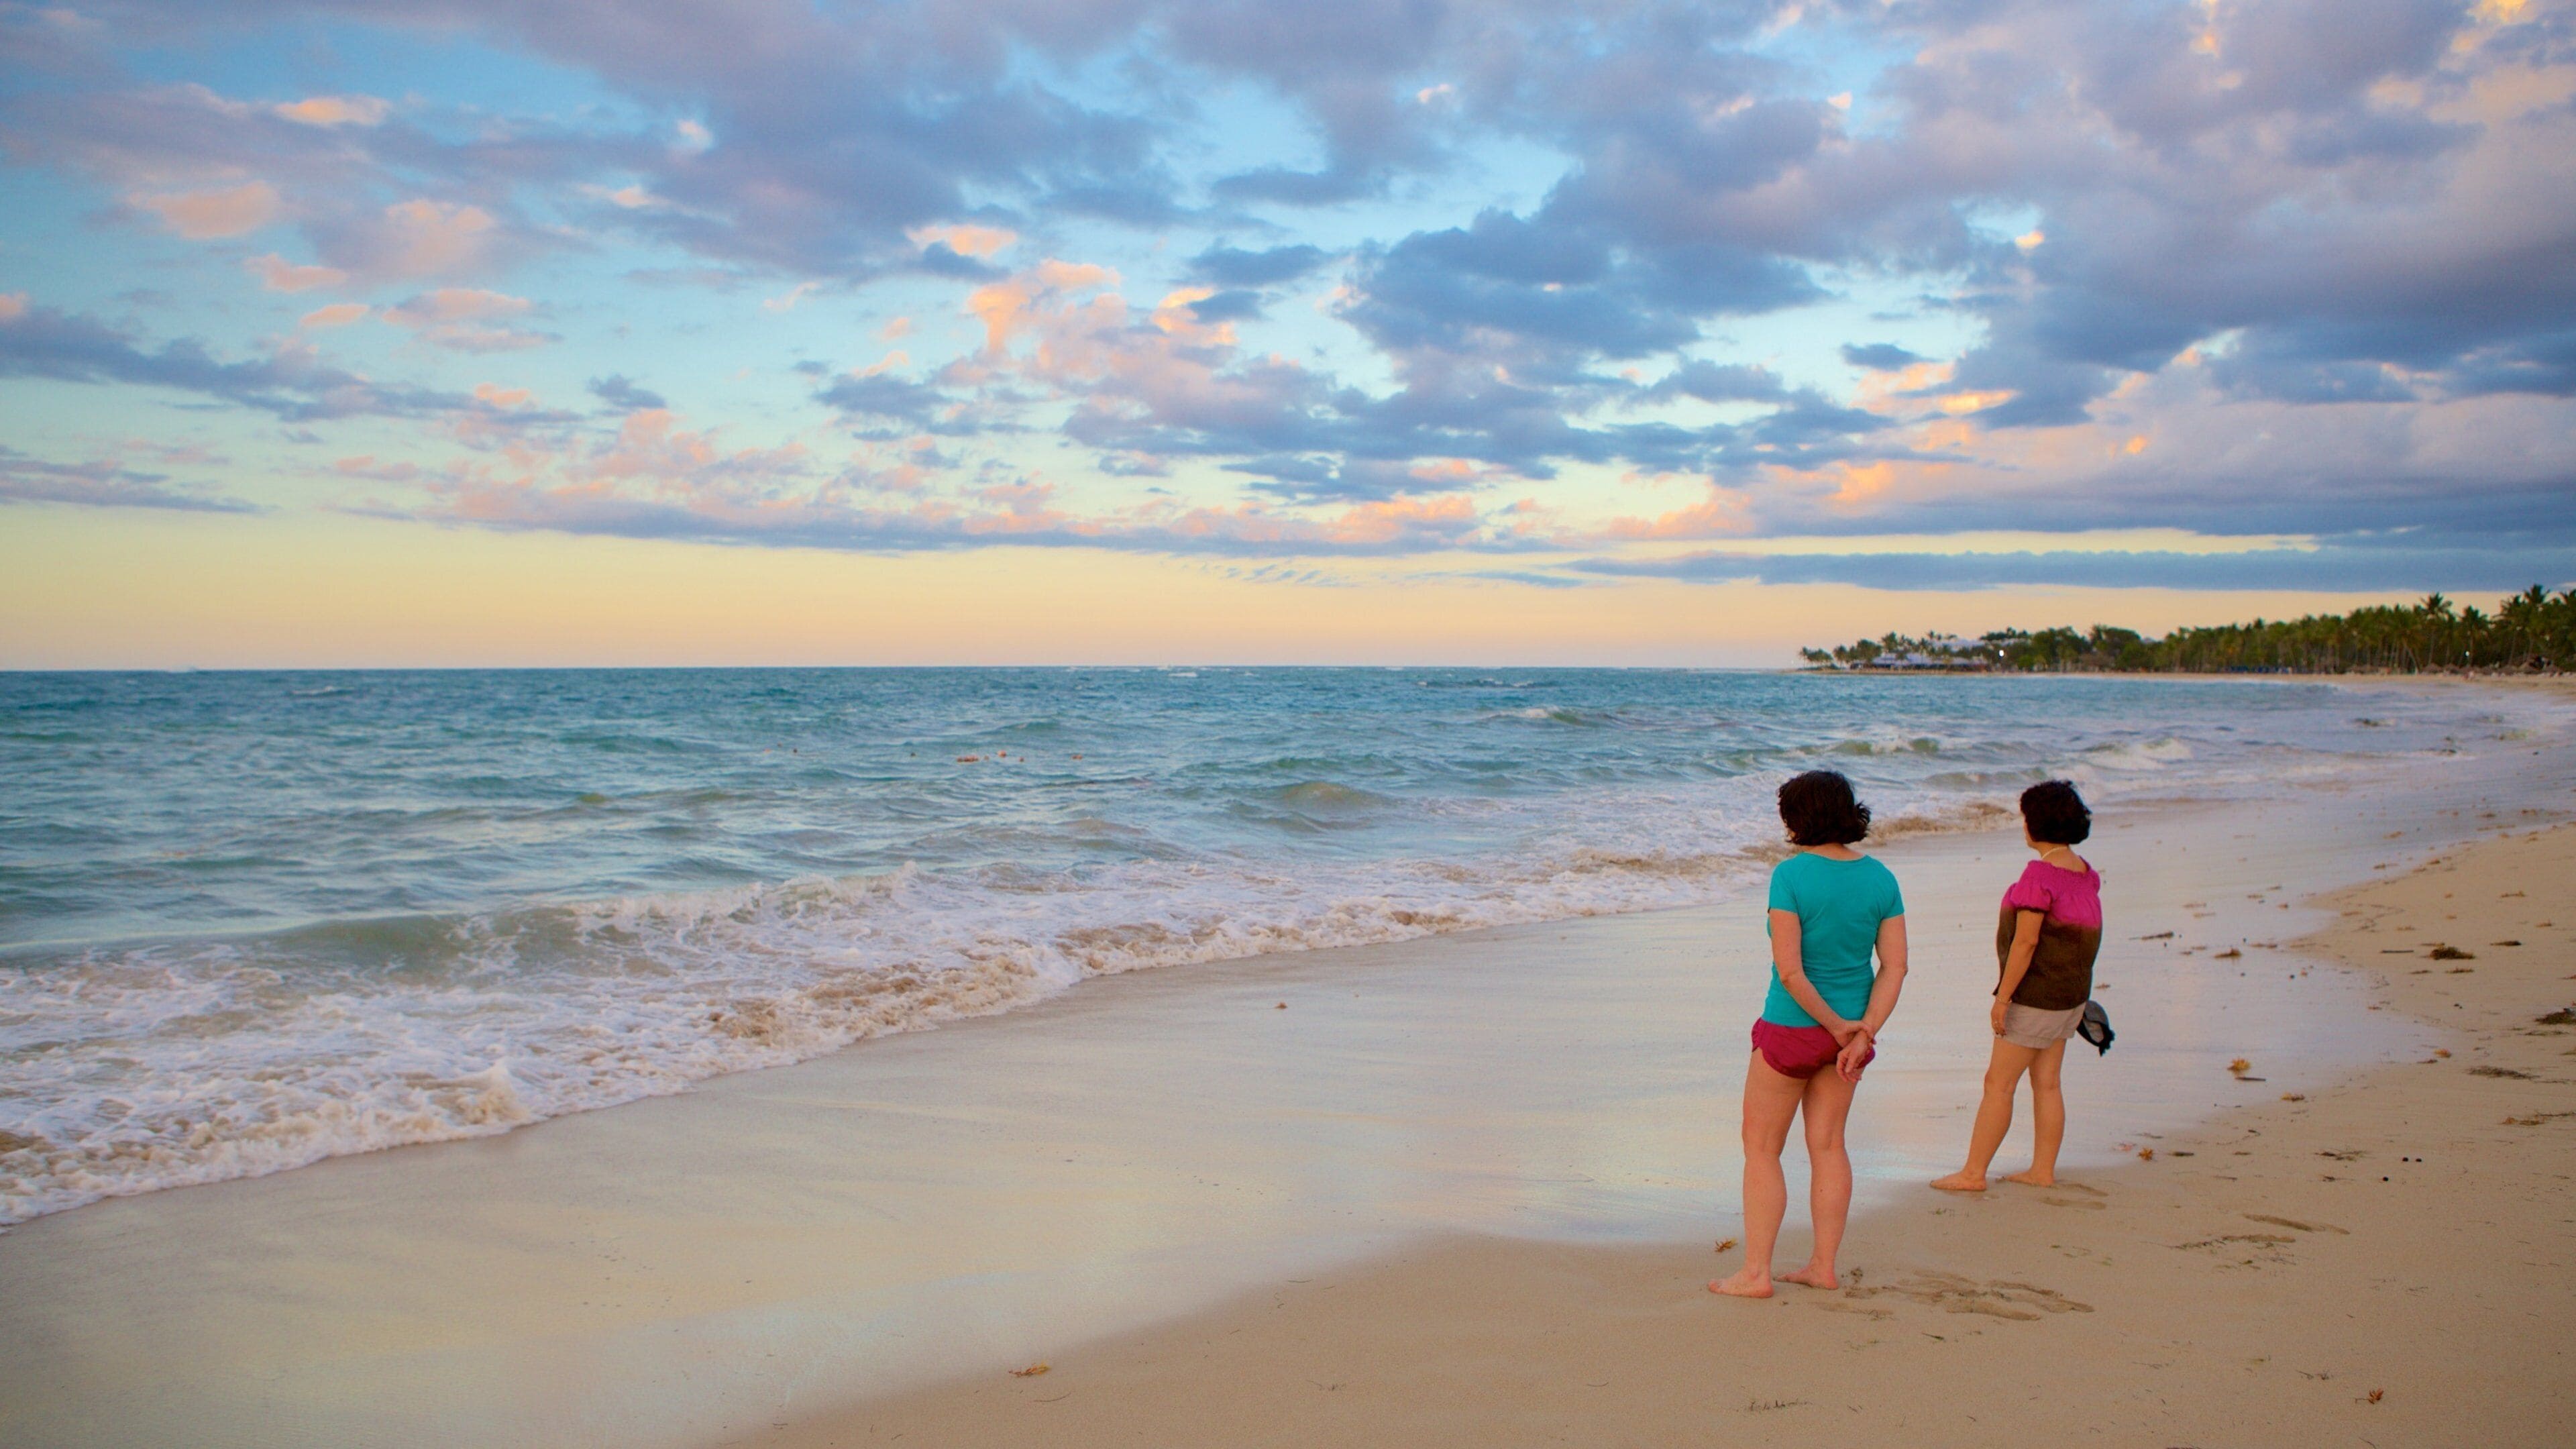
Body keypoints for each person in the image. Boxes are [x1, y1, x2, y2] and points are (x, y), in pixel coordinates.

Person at [1711, 769, 1909, 1299]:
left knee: (1761, 1147)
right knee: (1828, 1146)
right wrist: (1862, 1031)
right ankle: (1823, 1266)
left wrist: (1837, 1025)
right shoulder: (1881, 878)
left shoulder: (1791, 876)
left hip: (1793, 1030)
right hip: (1848, 1039)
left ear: (1797, 819)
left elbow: (1791, 972)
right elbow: (1895, 967)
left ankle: (1756, 1273)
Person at [1932, 780, 2102, 1193]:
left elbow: (2026, 943)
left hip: (2037, 997)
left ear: (2034, 825)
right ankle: (2042, 1171)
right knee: (2047, 1083)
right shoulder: (2084, 873)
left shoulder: (2038, 877)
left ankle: (1973, 1174)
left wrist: (2003, 998)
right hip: (2070, 998)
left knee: (1999, 1084)